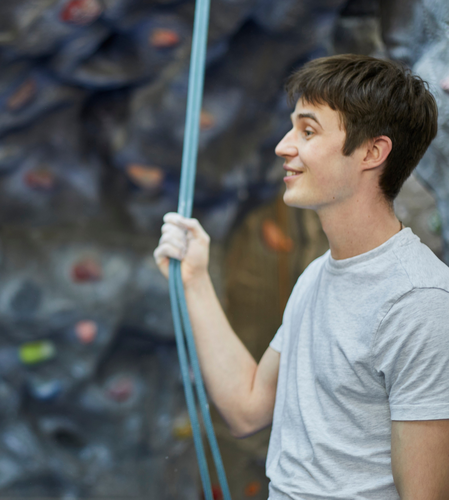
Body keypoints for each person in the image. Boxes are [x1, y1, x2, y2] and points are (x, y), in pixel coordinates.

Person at [154, 54, 449, 499]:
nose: (283, 146)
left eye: (307, 131)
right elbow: (247, 408)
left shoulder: (419, 301)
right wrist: (195, 279)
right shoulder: (318, 275)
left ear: (373, 151)